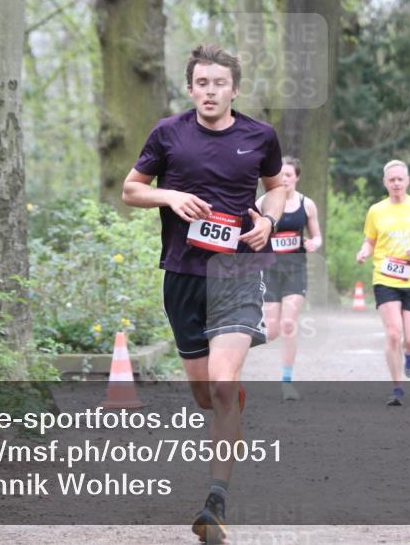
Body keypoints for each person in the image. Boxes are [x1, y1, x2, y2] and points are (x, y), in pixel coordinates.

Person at [122, 44, 285, 544]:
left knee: (220, 381)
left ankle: (214, 501)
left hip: (235, 270)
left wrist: (269, 219)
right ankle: (230, 410)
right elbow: (131, 189)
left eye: (219, 83)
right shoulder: (168, 134)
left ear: (234, 89)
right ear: (190, 88)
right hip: (182, 274)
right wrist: (169, 195)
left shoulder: (260, 135)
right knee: (204, 396)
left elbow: (276, 186)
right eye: (202, 83)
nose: (210, 91)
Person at [356, 160, 410, 406]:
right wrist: (364, 251)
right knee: (393, 333)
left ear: (408, 181)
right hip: (385, 277)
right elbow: (370, 241)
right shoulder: (376, 210)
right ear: (385, 182)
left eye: (399, 179)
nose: (395, 183)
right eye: (391, 180)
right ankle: (397, 388)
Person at [257, 156, 323, 401]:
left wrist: (314, 243)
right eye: (280, 174)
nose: (284, 179)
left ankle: (287, 381)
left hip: (296, 271)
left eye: (288, 175)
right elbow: (251, 230)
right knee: (272, 330)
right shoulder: (263, 202)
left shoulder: (307, 205)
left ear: (296, 177)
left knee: (288, 324)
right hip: (270, 271)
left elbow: (317, 237)